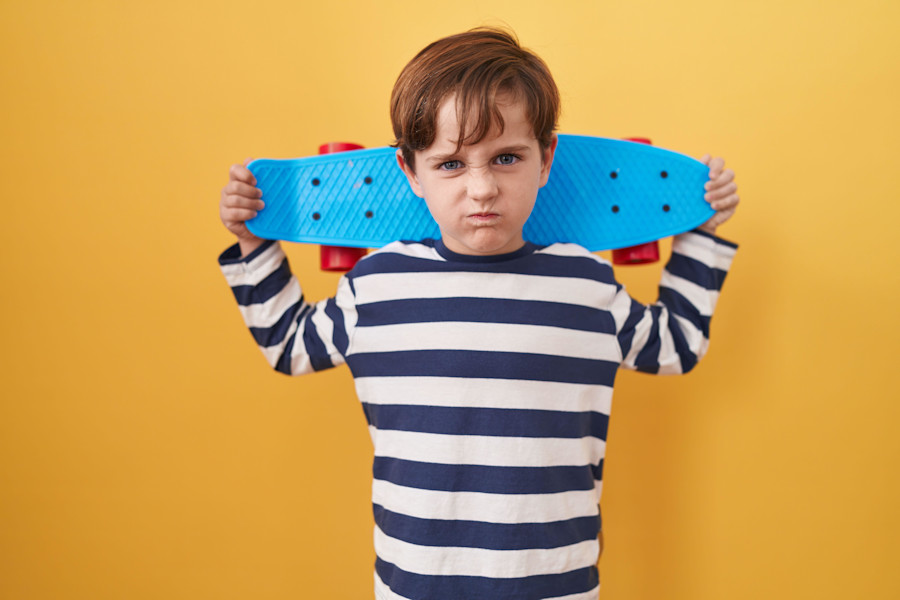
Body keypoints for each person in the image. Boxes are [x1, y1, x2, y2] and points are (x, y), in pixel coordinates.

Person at [217, 27, 739, 600]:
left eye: (506, 157)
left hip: (556, 584)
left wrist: (702, 233)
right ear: (410, 172)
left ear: (546, 159)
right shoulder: (377, 285)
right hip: (417, 584)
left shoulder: (585, 282)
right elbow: (290, 345)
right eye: (451, 165)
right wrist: (252, 242)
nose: (483, 188)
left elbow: (675, 345)